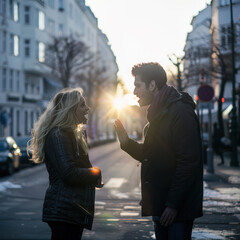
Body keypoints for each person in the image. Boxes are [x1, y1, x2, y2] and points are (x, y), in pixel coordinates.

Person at [114, 62, 203, 240]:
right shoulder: (158, 114)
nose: (134, 92)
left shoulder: (180, 112)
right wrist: (126, 143)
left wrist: (172, 204)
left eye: (138, 86)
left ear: (152, 85)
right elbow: (151, 156)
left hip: (176, 210)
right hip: (160, 203)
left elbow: (188, 162)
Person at [28, 88, 103, 240]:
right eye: (82, 105)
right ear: (71, 110)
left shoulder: (73, 135)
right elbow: (69, 173)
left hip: (72, 211)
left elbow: (81, 167)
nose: (87, 108)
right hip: (63, 210)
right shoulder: (58, 135)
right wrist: (96, 173)